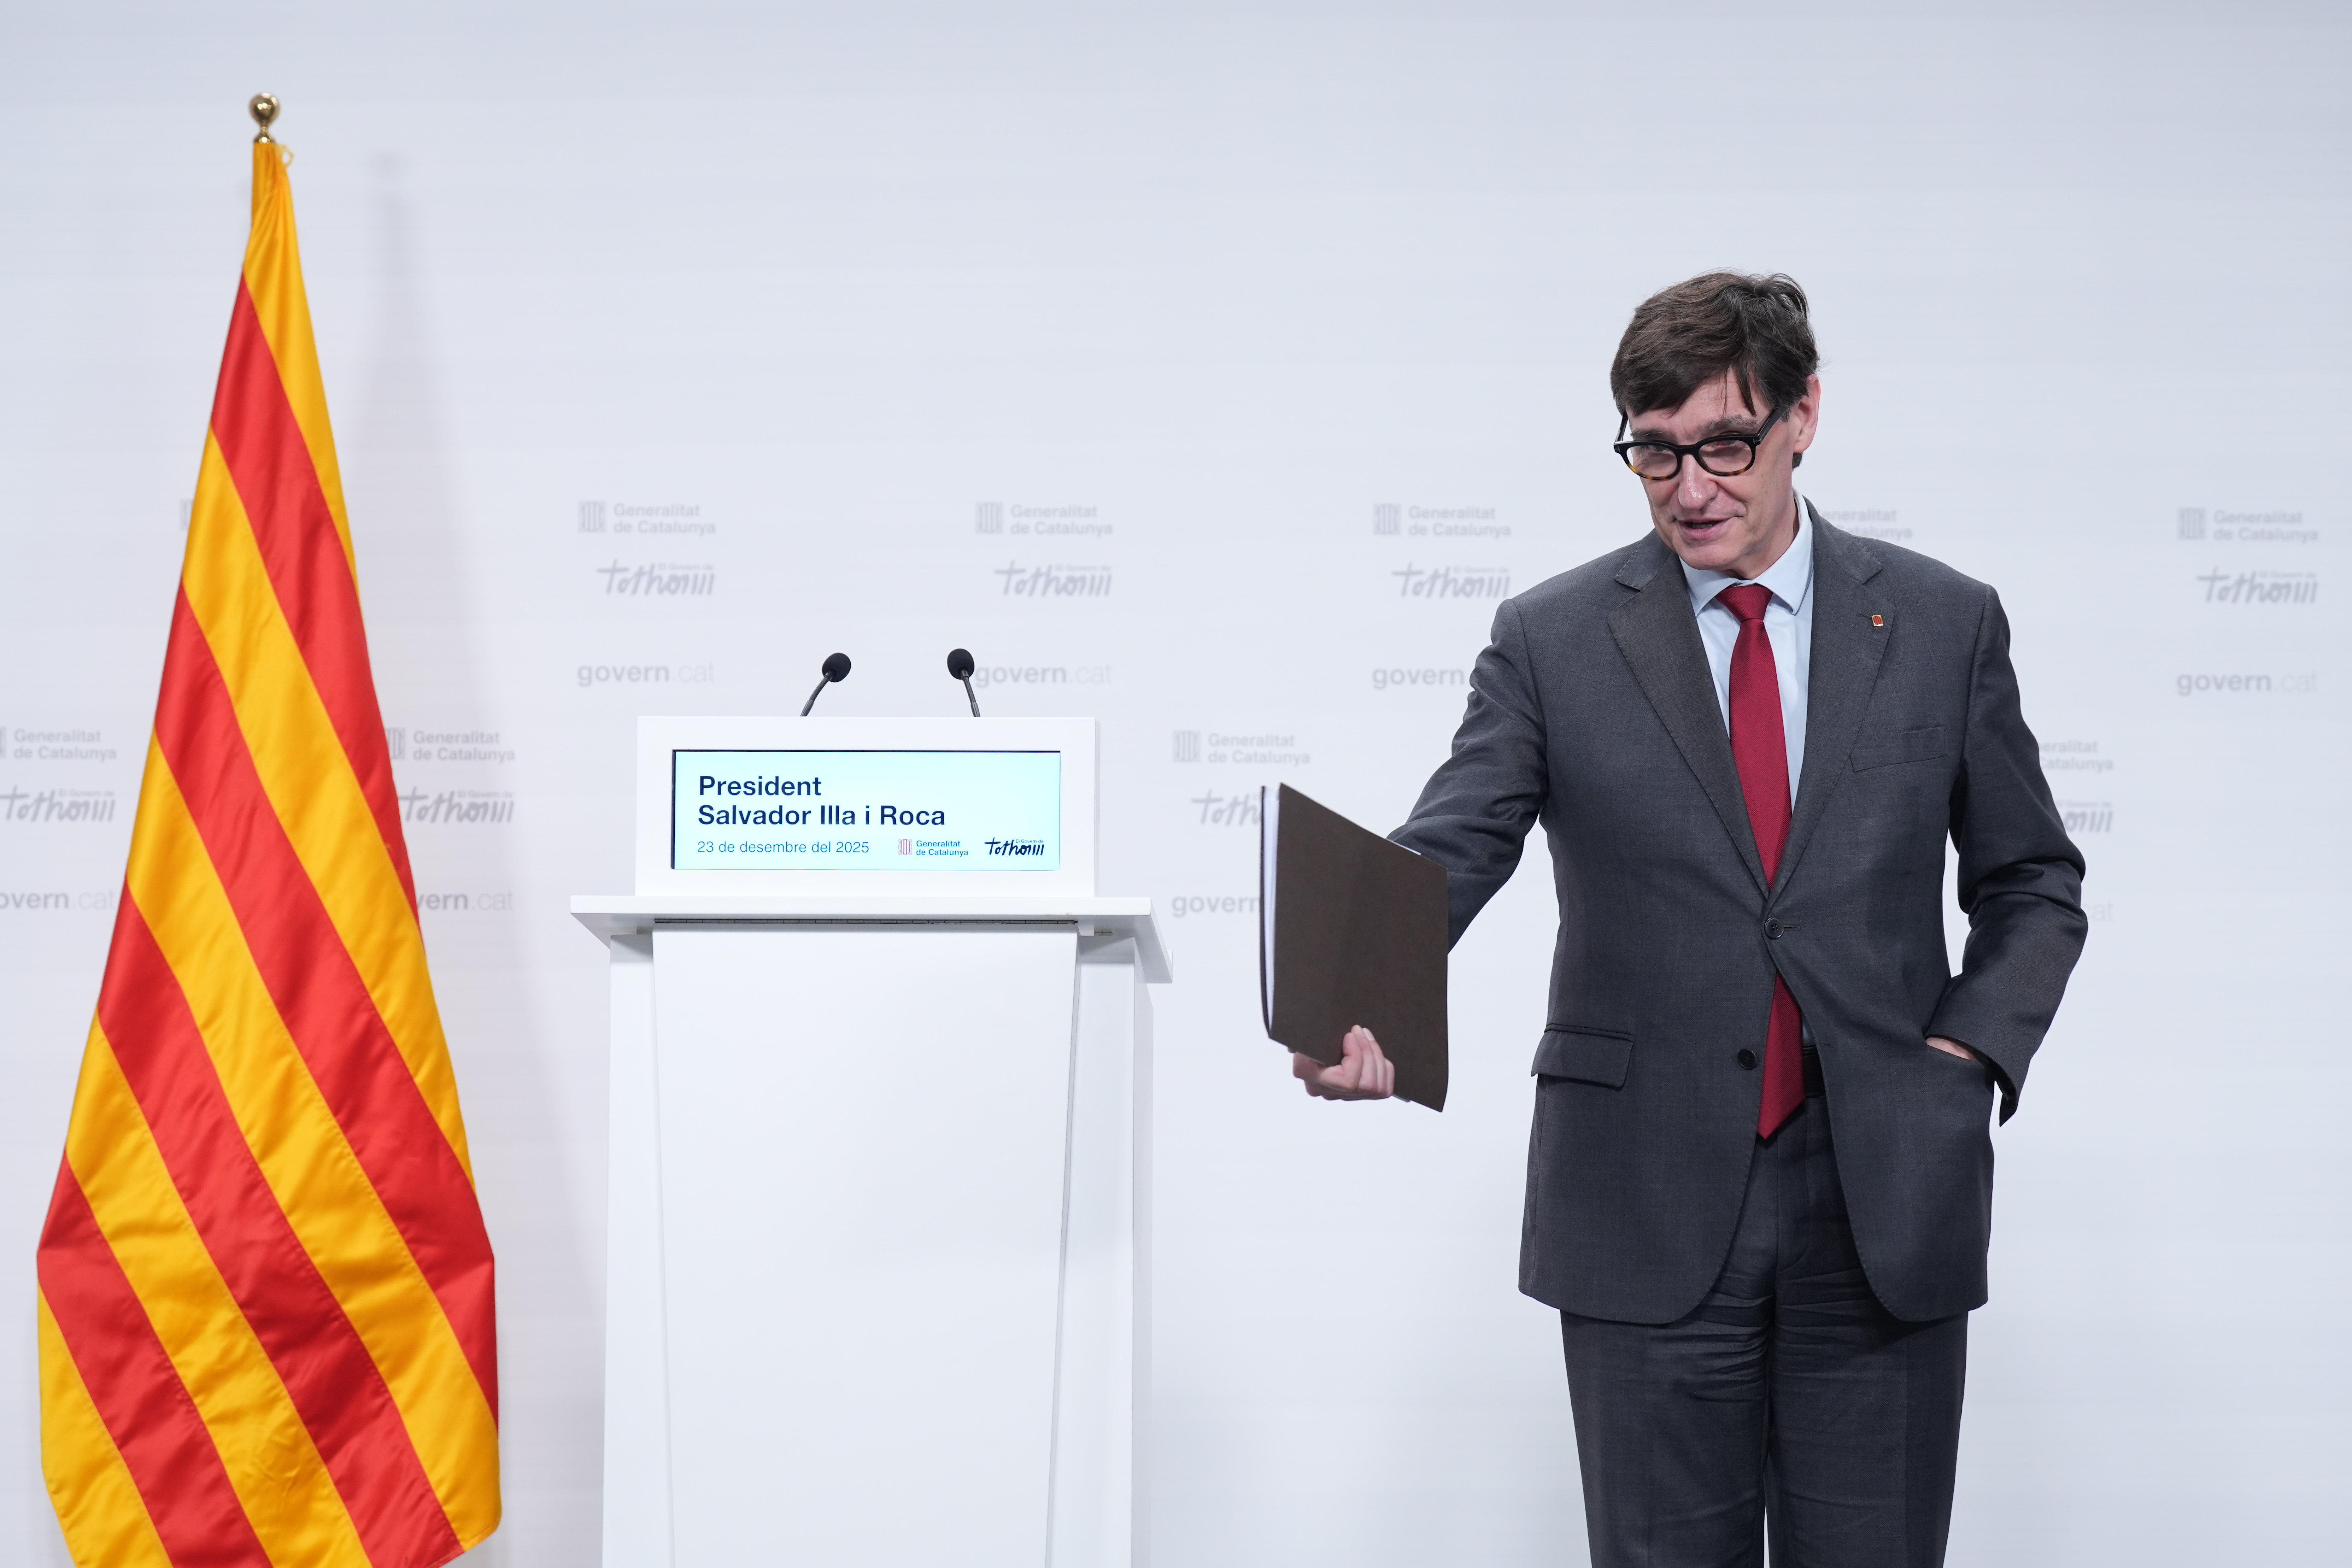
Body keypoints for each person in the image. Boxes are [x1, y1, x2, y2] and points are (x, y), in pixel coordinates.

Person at [1294, 272, 2086, 1568]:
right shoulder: (1552, 638)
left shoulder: (1944, 622)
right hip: (1642, 1201)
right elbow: (1457, 841)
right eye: (1653, 453)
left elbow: (2033, 884)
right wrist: (1345, 996)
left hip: (1882, 1194)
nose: (1689, 488)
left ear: (1804, 416)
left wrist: (1963, 1061)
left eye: (1724, 445)